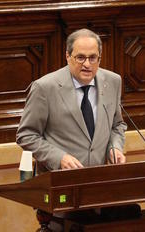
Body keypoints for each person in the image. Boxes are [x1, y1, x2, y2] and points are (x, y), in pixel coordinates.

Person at [16, 28, 127, 173]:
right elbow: (26, 135)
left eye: (93, 58)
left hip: (99, 178)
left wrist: (115, 148)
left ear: (100, 58)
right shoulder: (45, 87)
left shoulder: (113, 81)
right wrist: (59, 158)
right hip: (58, 180)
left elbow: (117, 125)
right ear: (68, 56)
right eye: (80, 57)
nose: (87, 64)